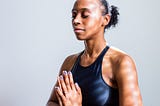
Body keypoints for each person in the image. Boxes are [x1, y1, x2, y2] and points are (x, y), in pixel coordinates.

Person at [47, 0, 143, 105]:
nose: (76, 20)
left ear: (105, 19)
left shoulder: (121, 62)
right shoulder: (69, 62)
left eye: (85, 15)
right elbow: (52, 102)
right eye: (74, 15)